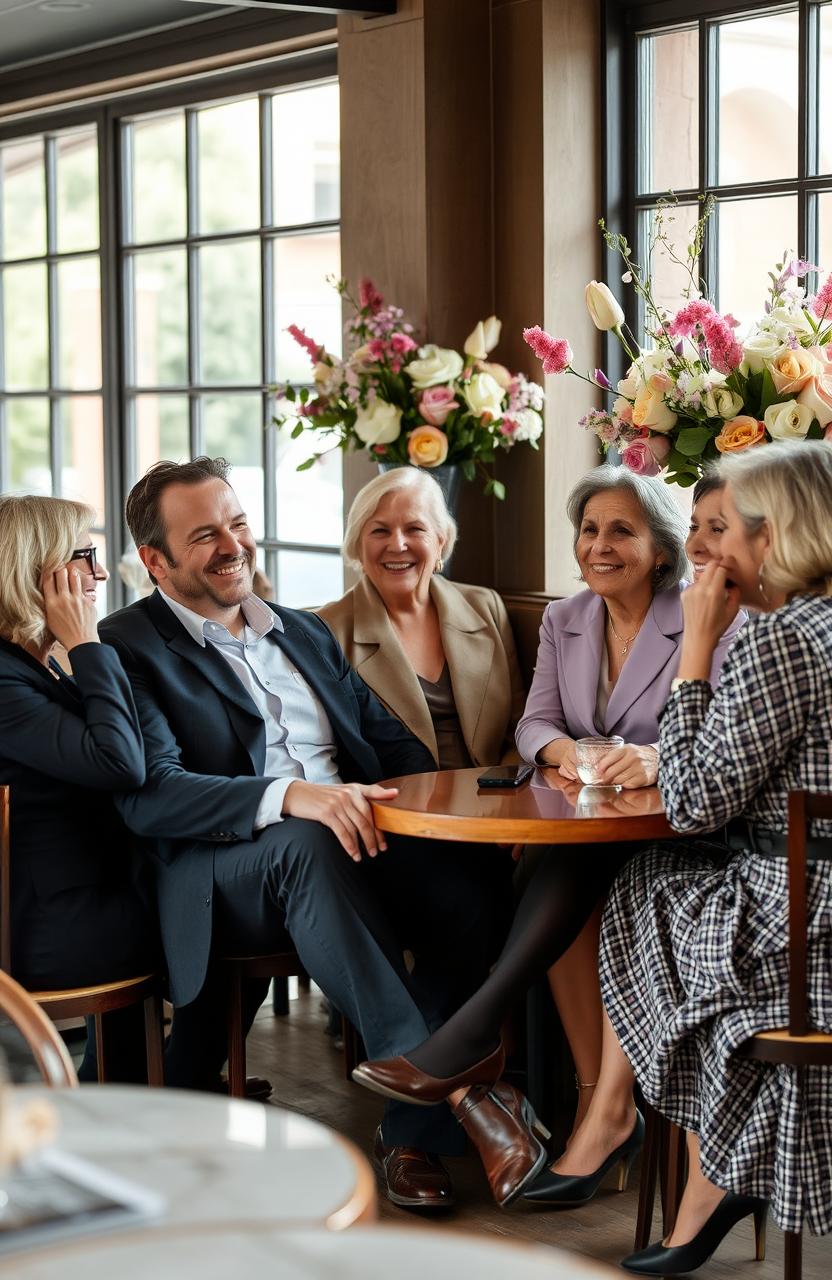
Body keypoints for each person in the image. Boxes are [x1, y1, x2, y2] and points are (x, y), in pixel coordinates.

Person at [99, 457, 534, 1212]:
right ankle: (458, 1092)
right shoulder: (126, 646)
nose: (233, 545)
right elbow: (153, 796)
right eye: (205, 536)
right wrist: (293, 795)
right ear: (156, 561)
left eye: (237, 523)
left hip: (352, 844)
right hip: (226, 871)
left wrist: (459, 816)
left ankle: (411, 1131)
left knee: (465, 880)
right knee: (307, 843)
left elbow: (391, 746)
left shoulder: (300, 631)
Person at [353, 465, 743, 1205]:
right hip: (597, 827)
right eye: (589, 530)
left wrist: (655, 755)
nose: (598, 546)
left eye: (620, 531)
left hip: (687, 827)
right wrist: (573, 754)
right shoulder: (568, 620)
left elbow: (727, 733)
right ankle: (561, 1085)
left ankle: (476, 1040)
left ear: (662, 550)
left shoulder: (702, 615)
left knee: (569, 871)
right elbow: (535, 725)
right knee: (560, 866)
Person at [576, 440, 832, 1274]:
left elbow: (691, 803)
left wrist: (696, 651)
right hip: (811, 905)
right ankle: (687, 1160)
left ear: (775, 532)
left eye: (725, 530)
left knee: (642, 884)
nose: (710, 553)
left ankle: (693, 1161)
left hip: (801, 933)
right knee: (662, 885)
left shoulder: (778, 641)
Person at [0, 495, 158, 1081]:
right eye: (83, 555)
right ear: (30, 569)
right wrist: (87, 642)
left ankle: (141, 1083)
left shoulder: (37, 664)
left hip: (88, 893)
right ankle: (165, 1081)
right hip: (51, 925)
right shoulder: (6, 678)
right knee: (218, 914)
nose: (96, 573)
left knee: (218, 889)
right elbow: (120, 763)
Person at [315, 468, 525, 768]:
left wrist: (501, 797)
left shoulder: (485, 607)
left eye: (414, 529)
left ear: (440, 540)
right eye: (380, 530)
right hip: (392, 805)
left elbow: (520, 730)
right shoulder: (326, 631)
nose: (398, 545)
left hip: (493, 801)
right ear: (358, 545)